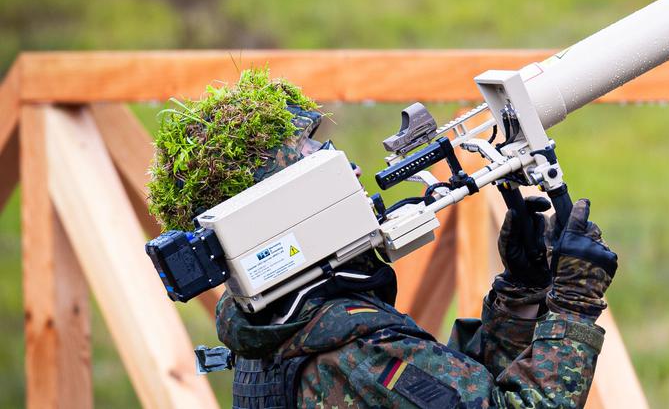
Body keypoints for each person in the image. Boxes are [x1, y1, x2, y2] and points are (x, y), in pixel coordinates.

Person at [150, 71, 619, 408]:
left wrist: (523, 288)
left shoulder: (282, 325)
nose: (352, 170)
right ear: (279, 211)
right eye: (323, 165)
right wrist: (574, 303)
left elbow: (468, 394)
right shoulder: (354, 355)